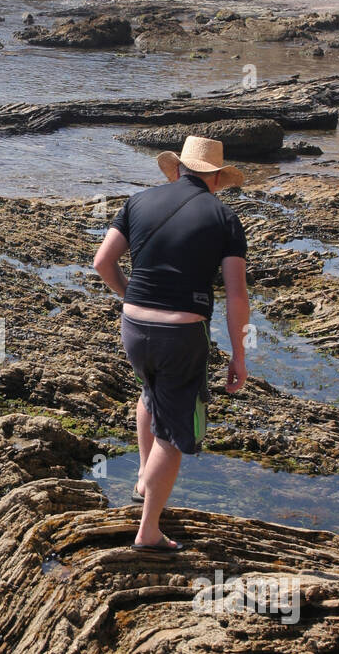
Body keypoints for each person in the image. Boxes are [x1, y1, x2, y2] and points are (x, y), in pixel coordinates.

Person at [94, 136, 249, 554]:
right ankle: (148, 532)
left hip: (133, 326)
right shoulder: (224, 217)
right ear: (215, 178)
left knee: (150, 392)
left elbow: (102, 263)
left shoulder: (138, 202)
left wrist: (130, 297)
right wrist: (238, 352)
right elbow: (237, 296)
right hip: (182, 333)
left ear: (177, 168)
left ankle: (145, 479)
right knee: (176, 435)